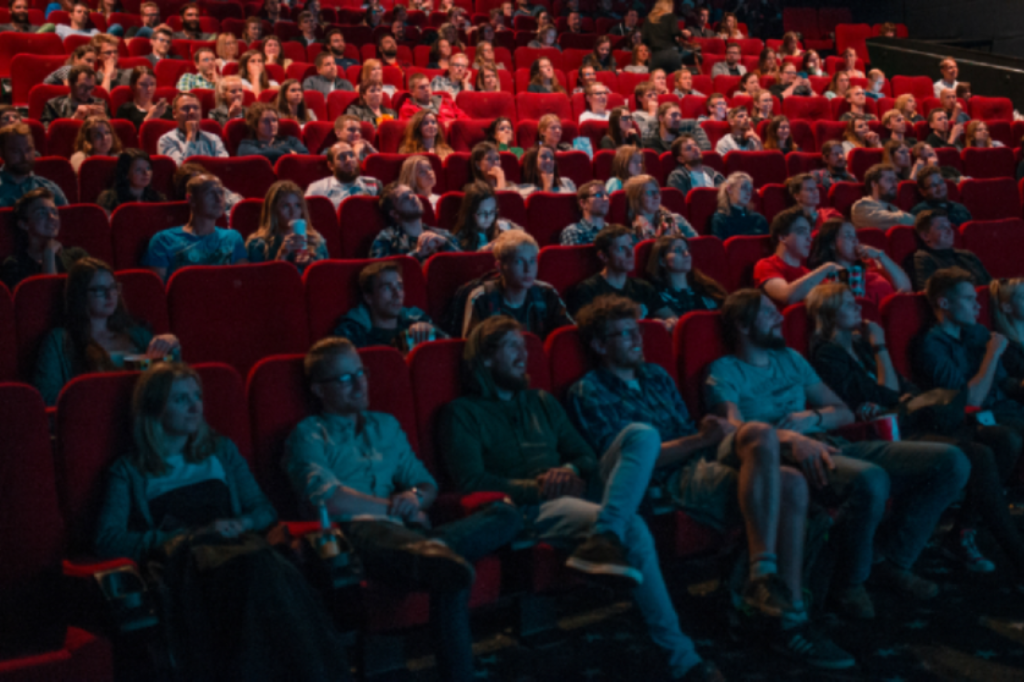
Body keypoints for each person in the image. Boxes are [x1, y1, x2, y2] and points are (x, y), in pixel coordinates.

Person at [568, 295, 855, 668]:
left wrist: (709, 437)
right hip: (667, 477)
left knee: (762, 437)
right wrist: (701, 440)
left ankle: (764, 578)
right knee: (792, 486)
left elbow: (694, 434)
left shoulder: (655, 375)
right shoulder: (590, 390)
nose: (638, 340)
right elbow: (629, 462)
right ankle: (790, 620)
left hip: (700, 456)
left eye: (637, 332)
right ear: (598, 344)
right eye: (625, 335)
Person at [440, 316, 726, 681]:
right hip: (531, 506)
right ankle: (683, 660)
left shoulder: (540, 400)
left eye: (525, 346)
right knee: (634, 526)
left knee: (642, 433)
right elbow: (472, 481)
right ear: (484, 358)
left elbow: (587, 457)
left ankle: (605, 535)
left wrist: (570, 472)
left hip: (578, 489)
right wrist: (539, 486)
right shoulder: (461, 414)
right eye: (512, 346)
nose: (524, 354)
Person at [710, 288, 970, 605]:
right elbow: (735, 431)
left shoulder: (791, 358)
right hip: (783, 456)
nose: (780, 317)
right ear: (742, 324)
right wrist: (790, 437)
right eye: (768, 312)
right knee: (871, 479)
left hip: (833, 442)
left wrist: (812, 417)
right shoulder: (724, 370)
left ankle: (892, 560)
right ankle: (852, 583)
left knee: (952, 461)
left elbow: (843, 411)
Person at [96, 362, 353, 681]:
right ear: (153, 408)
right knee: (264, 570)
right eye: (180, 399)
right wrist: (183, 536)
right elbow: (108, 539)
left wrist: (241, 523)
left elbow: (263, 510)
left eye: (197, 396)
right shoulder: (129, 470)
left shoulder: (220, 450)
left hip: (240, 549)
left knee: (262, 568)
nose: (195, 406)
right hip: (189, 564)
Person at [286, 337, 520, 682]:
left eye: (360, 372)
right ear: (319, 390)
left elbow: (425, 484)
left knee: (507, 513)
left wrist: (413, 498)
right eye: (345, 378)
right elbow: (326, 499)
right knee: (443, 568)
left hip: (408, 534)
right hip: (356, 537)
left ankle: (435, 552)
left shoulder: (386, 425)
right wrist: (393, 509)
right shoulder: (308, 434)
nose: (359, 383)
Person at [810, 281, 1024, 579]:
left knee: (1002, 439)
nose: (859, 307)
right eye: (848, 304)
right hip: (886, 431)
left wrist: (901, 393)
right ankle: (1015, 555)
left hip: (913, 418)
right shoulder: (827, 354)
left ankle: (963, 531)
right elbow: (886, 392)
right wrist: (881, 347)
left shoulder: (861, 345)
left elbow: (902, 387)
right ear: (829, 312)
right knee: (980, 454)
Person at [33, 256, 180, 404]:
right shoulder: (59, 341)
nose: (110, 295)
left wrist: (172, 347)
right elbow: (48, 397)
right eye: (99, 290)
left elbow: (172, 382)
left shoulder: (137, 334)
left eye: (113, 288)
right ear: (80, 295)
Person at [462, 231, 571, 339]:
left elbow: (567, 336)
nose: (528, 269)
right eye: (519, 261)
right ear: (500, 267)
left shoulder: (546, 293)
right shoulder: (481, 299)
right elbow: (473, 350)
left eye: (532, 261)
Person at [142, 174, 246, 281]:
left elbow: (242, 284)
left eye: (221, 192)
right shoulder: (163, 240)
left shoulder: (233, 238)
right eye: (209, 193)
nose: (218, 199)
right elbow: (157, 291)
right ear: (191, 199)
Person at [567, 224, 670, 320]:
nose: (630, 253)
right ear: (603, 256)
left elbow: (670, 317)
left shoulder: (643, 288)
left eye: (631, 246)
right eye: (621, 248)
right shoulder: (588, 291)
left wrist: (667, 322)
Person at [333, 263, 445, 350]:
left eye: (399, 287)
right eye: (387, 287)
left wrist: (432, 331)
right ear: (369, 298)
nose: (397, 294)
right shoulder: (353, 334)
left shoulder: (417, 321)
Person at [754, 207, 844, 307]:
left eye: (809, 232)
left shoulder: (807, 273)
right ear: (783, 237)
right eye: (802, 232)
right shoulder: (766, 265)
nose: (809, 238)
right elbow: (787, 296)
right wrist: (827, 267)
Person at [807, 218, 911, 304]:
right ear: (832, 244)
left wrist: (880, 256)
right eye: (848, 235)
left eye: (855, 235)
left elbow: (905, 289)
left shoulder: (872, 267)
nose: (855, 240)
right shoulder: (825, 278)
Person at [0, 188, 84, 289]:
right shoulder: (14, 265)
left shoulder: (76, 256)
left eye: (54, 212)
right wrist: (48, 255)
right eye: (41, 213)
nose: (51, 217)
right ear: (24, 224)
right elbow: (46, 299)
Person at [245, 180, 327, 272]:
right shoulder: (258, 244)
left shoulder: (315, 240)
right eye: (285, 206)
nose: (293, 212)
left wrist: (310, 264)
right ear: (273, 210)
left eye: (297, 205)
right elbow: (260, 283)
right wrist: (282, 256)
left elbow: (326, 280)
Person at [370, 182, 458, 260]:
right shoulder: (387, 238)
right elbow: (380, 272)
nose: (412, 197)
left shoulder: (443, 235)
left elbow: (465, 265)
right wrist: (417, 254)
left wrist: (446, 244)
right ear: (394, 213)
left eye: (411, 193)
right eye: (405, 198)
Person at [645, 234, 727, 318]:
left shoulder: (706, 289)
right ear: (662, 261)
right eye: (677, 250)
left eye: (687, 250)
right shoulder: (655, 297)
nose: (686, 254)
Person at [910, 210, 991, 290]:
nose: (950, 231)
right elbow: (931, 293)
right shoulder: (924, 258)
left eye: (949, 226)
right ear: (925, 236)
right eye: (942, 227)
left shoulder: (967, 255)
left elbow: (990, 285)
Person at [0, 123, 68, 207]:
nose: (25, 157)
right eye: (16, 151)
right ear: (2, 152)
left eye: (28, 150)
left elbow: (67, 219)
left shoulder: (49, 189)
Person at [306, 141, 382, 209]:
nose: (349, 160)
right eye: (342, 157)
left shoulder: (374, 184)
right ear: (330, 165)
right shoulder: (317, 189)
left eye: (352, 155)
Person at [452, 181, 523, 252]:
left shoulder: (503, 226)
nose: (488, 217)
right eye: (483, 213)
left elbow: (525, 242)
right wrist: (482, 252)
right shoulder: (461, 238)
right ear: (471, 212)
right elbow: (462, 261)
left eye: (492, 211)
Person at [157, 93, 228, 165]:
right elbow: (181, 168)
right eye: (186, 108)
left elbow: (223, 166)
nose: (192, 112)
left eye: (196, 108)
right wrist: (191, 135)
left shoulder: (213, 139)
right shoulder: (166, 140)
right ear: (175, 114)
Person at [626, 174, 697, 240]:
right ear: (636, 197)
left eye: (657, 192)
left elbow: (697, 247)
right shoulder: (632, 232)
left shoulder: (677, 219)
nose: (656, 197)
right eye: (650, 193)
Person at [96, 149, 165, 212]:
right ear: (126, 174)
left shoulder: (158, 199)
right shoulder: (109, 199)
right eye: (138, 169)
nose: (146, 173)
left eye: (148, 168)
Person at [850, 164, 914, 231]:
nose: (895, 184)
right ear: (874, 184)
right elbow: (897, 220)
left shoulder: (893, 208)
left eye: (895, 180)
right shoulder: (860, 207)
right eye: (889, 180)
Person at [40, 65, 108, 127]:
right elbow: (47, 135)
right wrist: (74, 119)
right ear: (70, 83)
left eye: (91, 88)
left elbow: (113, 134)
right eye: (82, 87)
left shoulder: (99, 103)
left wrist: (106, 121)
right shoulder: (53, 105)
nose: (87, 92)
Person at [709, 172, 768, 239]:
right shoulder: (720, 219)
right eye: (744, 187)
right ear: (729, 189)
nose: (748, 193)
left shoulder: (758, 219)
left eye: (750, 189)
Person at [644, 102, 711, 154]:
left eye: (679, 115)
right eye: (674, 115)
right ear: (661, 118)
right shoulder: (651, 143)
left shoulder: (687, 140)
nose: (678, 119)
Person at [640, 0, 686, 74]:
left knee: (654, 80)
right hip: (671, 54)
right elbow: (674, 32)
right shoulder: (671, 17)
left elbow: (644, 39)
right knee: (674, 80)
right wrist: (682, 33)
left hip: (656, 54)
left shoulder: (648, 19)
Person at [399, 72, 464, 125]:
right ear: (412, 92)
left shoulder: (447, 102)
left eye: (428, 85)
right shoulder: (407, 109)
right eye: (422, 87)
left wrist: (455, 123)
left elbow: (465, 119)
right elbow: (410, 130)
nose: (427, 89)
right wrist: (443, 125)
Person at [560, 180, 610, 246]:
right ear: (583, 203)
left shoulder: (614, 231)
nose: (606, 199)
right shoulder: (574, 232)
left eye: (607, 195)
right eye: (598, 195)